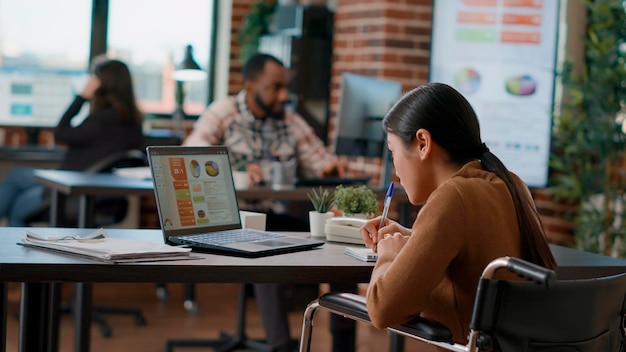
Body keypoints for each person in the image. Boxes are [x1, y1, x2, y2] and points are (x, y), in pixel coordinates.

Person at [359, 82, 557, 345]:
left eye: (393, 151)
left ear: (422, 143)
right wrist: (413, 237)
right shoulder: (511, 182)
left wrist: (389, 254)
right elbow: (475, 247)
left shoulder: (453, 196)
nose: (395, 170)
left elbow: (382, 310)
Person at [183, 53, 349, 352]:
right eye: (275, 87)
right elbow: (190, 156)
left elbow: (318, 158)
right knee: (265, 247)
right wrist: (237, 173)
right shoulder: (224, 112)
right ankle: (281, 347)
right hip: (228, 220)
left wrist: (328, 168)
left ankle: (344, 345)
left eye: (286, 87)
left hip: (269, 216)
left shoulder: (288, 119)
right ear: (249, 85)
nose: (284, 95)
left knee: (336, 243)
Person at [0, 58, 144, 226]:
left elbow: (60, 132)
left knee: (17, 191)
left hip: (72, 189)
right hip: (99, 194)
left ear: (100, 84)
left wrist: (81, 97)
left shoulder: (102, 120)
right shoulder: (133, 122)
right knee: (19, 186)